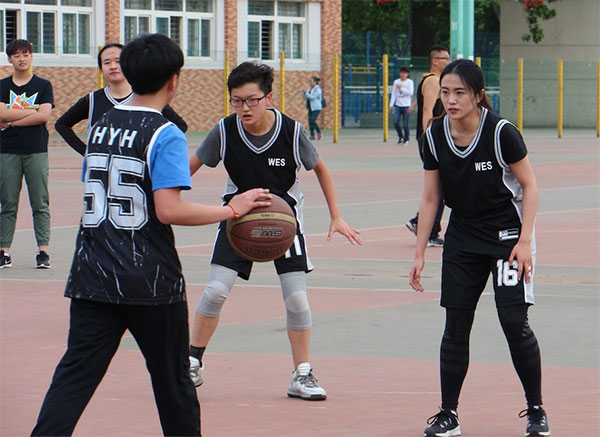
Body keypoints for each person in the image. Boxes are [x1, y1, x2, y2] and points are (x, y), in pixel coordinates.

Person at [30, 34, 271, 437]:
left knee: (73, 378)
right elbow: (169, 210)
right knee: (174, 385)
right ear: (174, 81)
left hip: (92, 274)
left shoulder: (102, 125)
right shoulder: (166, 133)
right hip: (149, 279)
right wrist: (232, 209)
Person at [188, 62, 362, 401]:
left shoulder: (291, 132)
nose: (244, 108)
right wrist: (163, 194)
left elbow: (321, 169)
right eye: (236, 101)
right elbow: (186, 169)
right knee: (215, 291)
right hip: (237, 220)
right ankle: (193, 361)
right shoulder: (224, 131)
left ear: (268, 98)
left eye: (251, 100)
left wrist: (336, 216)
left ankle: (302, 374)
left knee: (296, 299)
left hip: (285, 223)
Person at [409, 59, 550, 437]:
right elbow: (430, 197)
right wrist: (419, 253)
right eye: (445, 92)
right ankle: (448, 414)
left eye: (460, 93)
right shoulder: (434, 137)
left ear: (478, 96)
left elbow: (530, 186)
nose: (451, 100)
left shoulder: (502, 133)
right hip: (463, 237)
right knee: (455, 326)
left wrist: (524, 241)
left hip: (507, 235)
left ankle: (536, 410)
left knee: (514, 323)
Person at [55, 43, 187, 157]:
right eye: (107, 62)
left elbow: (180, 126)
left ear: (130, 65)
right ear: (101, 68)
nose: (113, 66)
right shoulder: (92, 100)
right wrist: (87, 152)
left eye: (118, 61)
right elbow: (62, 124)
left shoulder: (146, 98)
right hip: (102, 173)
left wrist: (154, 151)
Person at [0, 39, 54, 269]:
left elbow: (44, 116)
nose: (21, 59)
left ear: (32, 56)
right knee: (7, 203)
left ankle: (43, 252)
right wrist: (31, 109)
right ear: (9, 59)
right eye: (16, 55)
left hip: (36, 150)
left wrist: (11, 122)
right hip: (7, 151)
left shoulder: (43, 85)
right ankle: (4, 252)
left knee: (40, 201)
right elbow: (1, 114)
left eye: (25, 54)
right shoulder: (2, 86)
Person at [405, 45, 451, 247]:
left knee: (441, 186)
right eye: (445, 58)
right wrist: (428, 138)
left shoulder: (434, 81)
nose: (448, 62)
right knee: (440, 187)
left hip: (433, 138)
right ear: (435, 61)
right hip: (432, 139)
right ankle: (426, 228)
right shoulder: (433, 80)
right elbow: (427, 110)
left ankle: (423, 224)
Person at [388, 66, 413, 144]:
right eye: (401, 73)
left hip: (406, 105)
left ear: (407, 74)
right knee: (396, 122)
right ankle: (400, 136)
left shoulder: (409, 82)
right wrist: (391, 105)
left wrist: (401, 88)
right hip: (398, 105)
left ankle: (406, 138)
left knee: (405, 124)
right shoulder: (396, 82)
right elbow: (394, 94)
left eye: (404, 73)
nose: (403, 74)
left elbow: (410, 93)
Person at [301, 76, 323, 140]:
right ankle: (312, 135)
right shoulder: (310, 89)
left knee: (312, 121)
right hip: (310, 107)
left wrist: (306, 94)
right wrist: (304, 94)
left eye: (311, 81)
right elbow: (306, 97)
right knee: (310, 122)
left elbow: (313, 97)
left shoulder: (318, 89)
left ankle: (319, 132)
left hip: (316, 108)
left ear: (315, 82)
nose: (310, 83)